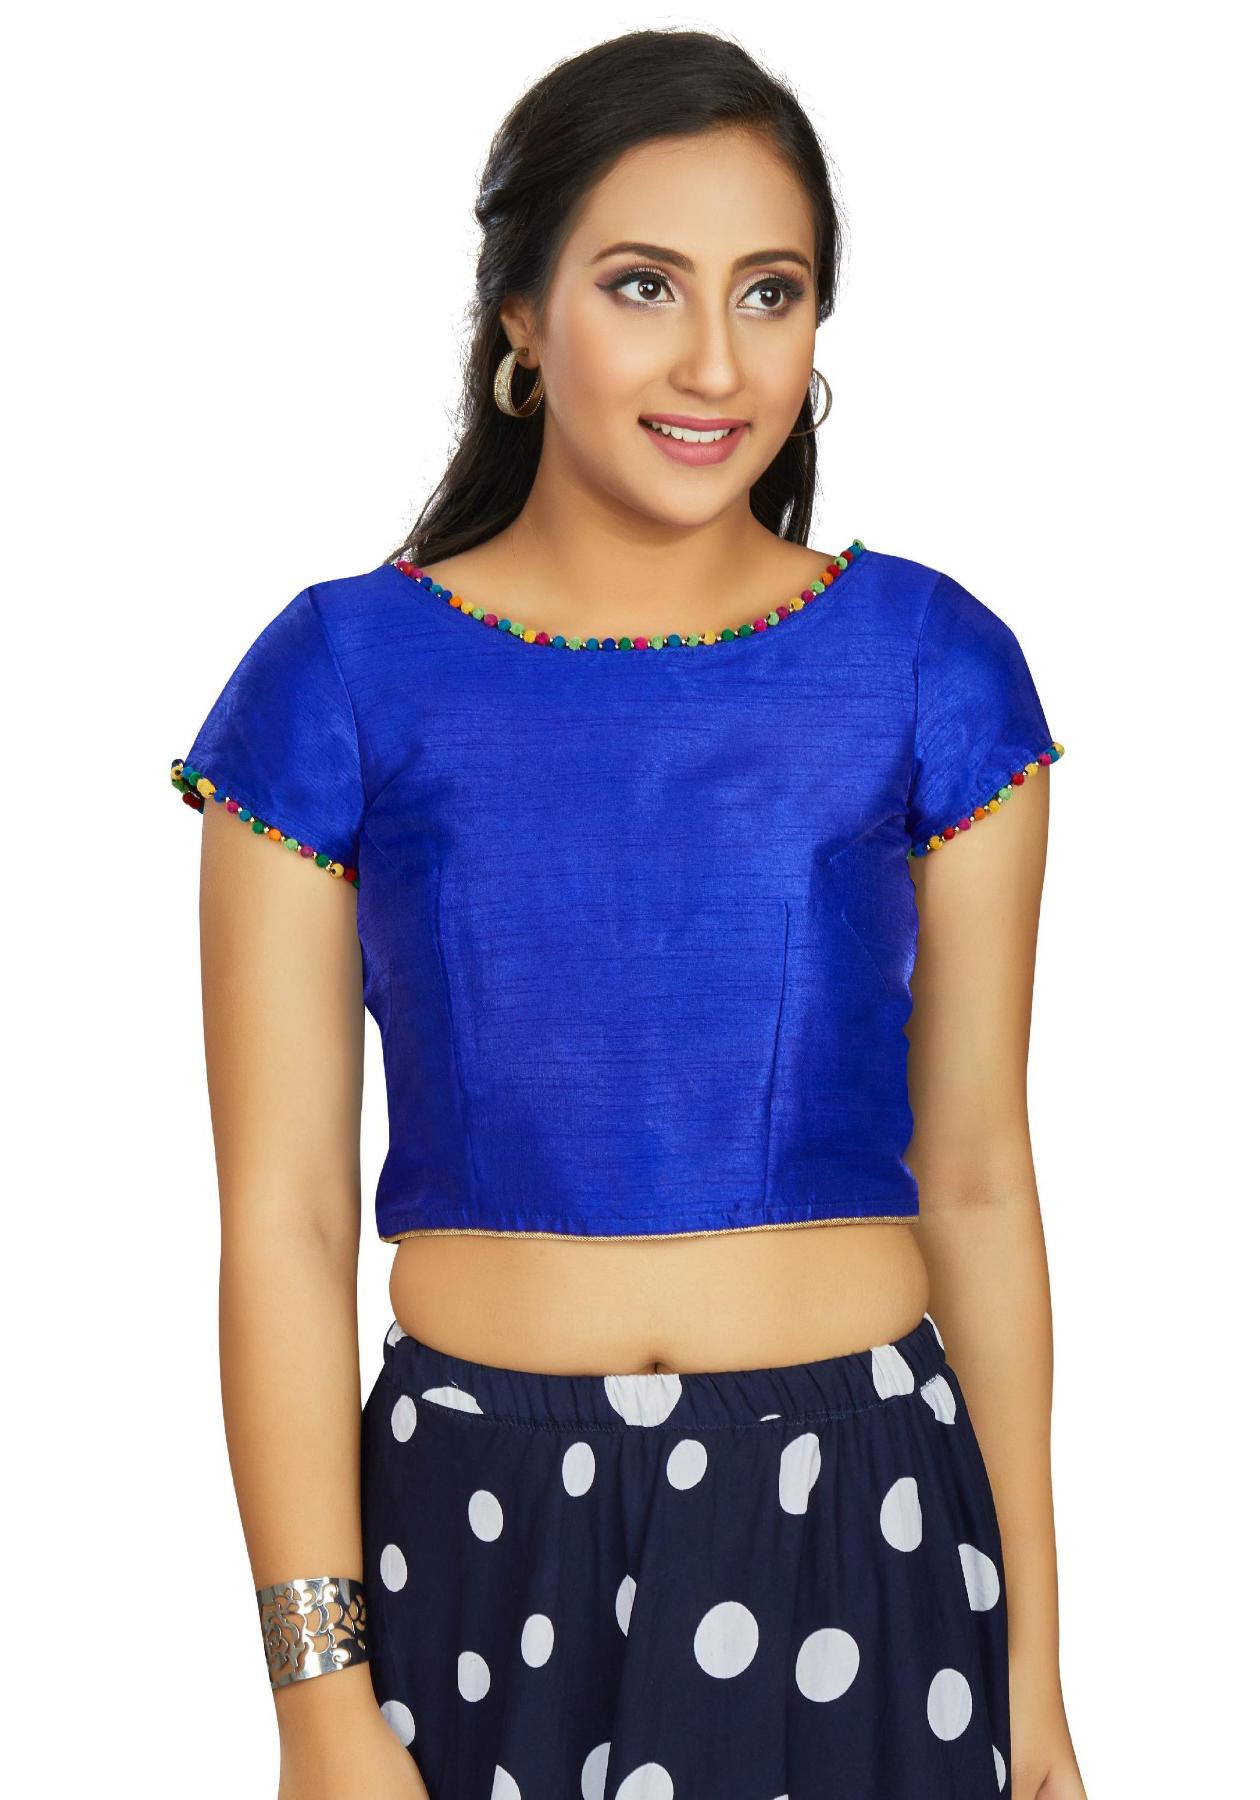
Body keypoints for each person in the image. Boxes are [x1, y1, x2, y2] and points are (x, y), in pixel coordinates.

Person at [170, 27, 1084, 1800]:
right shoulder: (337, 678)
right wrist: (317, 1705)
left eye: (771, 292)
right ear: (520, 315)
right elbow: (283, 1221)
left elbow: (978, 1175)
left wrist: (1035, 1667)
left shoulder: (932, 668)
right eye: (645, 284)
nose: (715, 361)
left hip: (863, 1528)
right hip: (472, 1537)